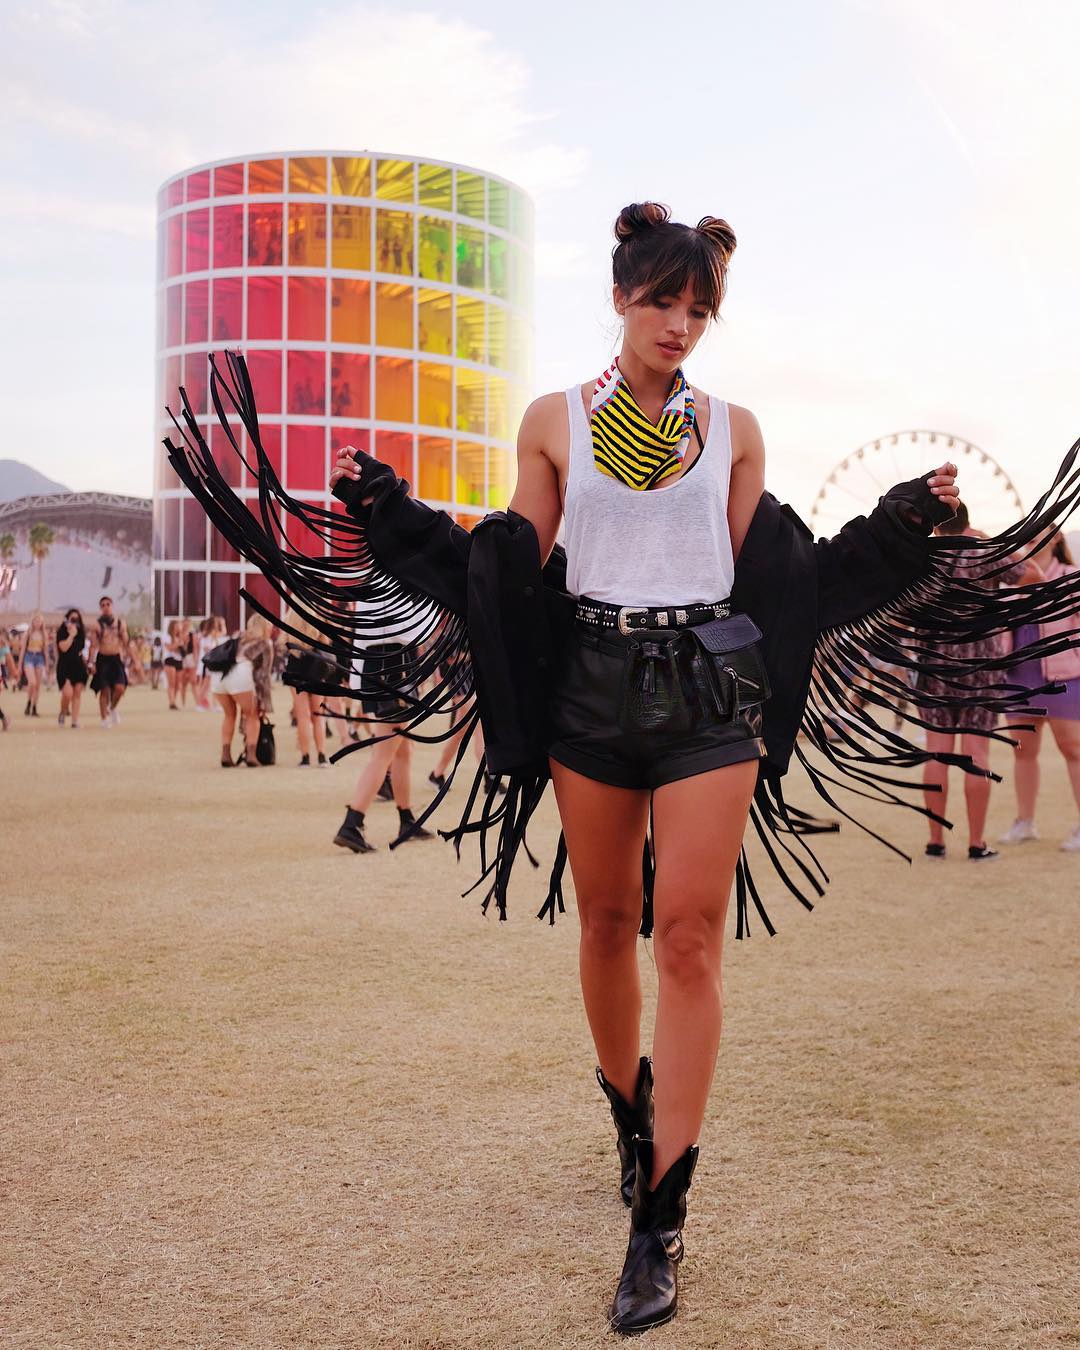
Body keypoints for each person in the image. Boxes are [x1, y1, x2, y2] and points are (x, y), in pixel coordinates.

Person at [166, 207, 1080, 1341]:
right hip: (590, 689)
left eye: (700, 309)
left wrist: (905, 527)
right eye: (664, 301)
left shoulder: (735, 427)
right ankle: (628, 1115)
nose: (682, 325)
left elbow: (781, 578)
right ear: (621, 296)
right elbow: (509, 564)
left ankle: (661, 1215)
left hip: (709, 693)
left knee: (688, 934)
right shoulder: (555, 419)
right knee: (605, 925)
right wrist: (393, 516)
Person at [918, 506, 1037, 862]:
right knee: (976, 754)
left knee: (937, 753)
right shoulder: (983, 552)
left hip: (933, 664)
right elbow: (1033, 573)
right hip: (980, 664)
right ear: (967, 521)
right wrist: (991, 543)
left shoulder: (924, 558)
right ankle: (976, 842)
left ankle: (936, 842)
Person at [332, 599, 436, 851]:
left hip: (382, 665)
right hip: (393, 666)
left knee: (402, 750)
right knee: (384, 754)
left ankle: (406, 819)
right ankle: (352, 823)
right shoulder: (395, 583)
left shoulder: (379, 582)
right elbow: (411, 629)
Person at [1000, 529, 1080, 851]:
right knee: (1022, 753)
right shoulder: (1010, 581)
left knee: (1074, 751)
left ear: (1056, 537)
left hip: (1065, 678)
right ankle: (1024, 822)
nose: (1031, 537)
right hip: (1019, 677)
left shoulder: (1072, 578)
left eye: (1039, 530)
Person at [210, 612, 274, 767]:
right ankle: (251, 755)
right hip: (241, 674)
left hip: (219, 676)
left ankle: (226, 755)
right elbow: (263, 675)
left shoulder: (239, 638)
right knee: (252, 715)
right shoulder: (264, 643)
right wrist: (264, 702)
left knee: (229, 715)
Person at [281, 605, 332, 767]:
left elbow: (282, 644)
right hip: (316, 668)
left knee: (302, 716)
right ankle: (322, 756)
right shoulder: (316, 619)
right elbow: (326, 643)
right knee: (318, 714)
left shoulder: (289, 620)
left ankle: (305, 758)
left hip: (295, 667)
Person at [88, 596, 129, 728]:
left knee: (120, 688)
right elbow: (93, 645)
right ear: (101, 608)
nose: (106, 607)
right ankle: (104, 719)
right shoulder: (97, 625)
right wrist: (91, 662)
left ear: (112, 606)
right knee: (104, 689)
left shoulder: (120, 623)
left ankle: (112, 708)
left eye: (108, 604)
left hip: (116, 659)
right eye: (103, 605)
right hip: (103, 659)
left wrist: (132, 658)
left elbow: (126, 642)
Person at [55, 607, 88, 728]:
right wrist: (71, 635)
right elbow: (63, 648)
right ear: (67, 619)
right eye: (72, 619)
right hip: (64, 666)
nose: (74, 621)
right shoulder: (62, 632)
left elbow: (80, 648)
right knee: (67, 693)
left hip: (78, 666)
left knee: (77, 692)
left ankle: (74, 721)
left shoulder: (81, 632)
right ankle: (63, 712)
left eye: (76, 619)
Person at [16, 612, 48, 716]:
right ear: (32, 622)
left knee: (37, 685)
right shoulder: (28, 633)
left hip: (39, 658)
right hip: (29, 657)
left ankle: (34, 707)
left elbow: (45, 651)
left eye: (39, 621)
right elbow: (22, 650)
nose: (37, 623)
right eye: (36, 621)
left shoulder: (44, 634)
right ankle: (29, 702)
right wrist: (20, 665)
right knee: (32, 683)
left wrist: (47, 664)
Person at [163, 618, 183, 709]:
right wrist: (178, 644)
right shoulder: (167, 636)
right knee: (171, 682)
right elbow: (170, 648)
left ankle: (173, 700)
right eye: (176, 625)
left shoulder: (180, 637)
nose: (178, 627)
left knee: (178, 684)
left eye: (179, 625)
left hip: (179, 660)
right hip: (170, 659)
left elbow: (182, 650)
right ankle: (171, 702)